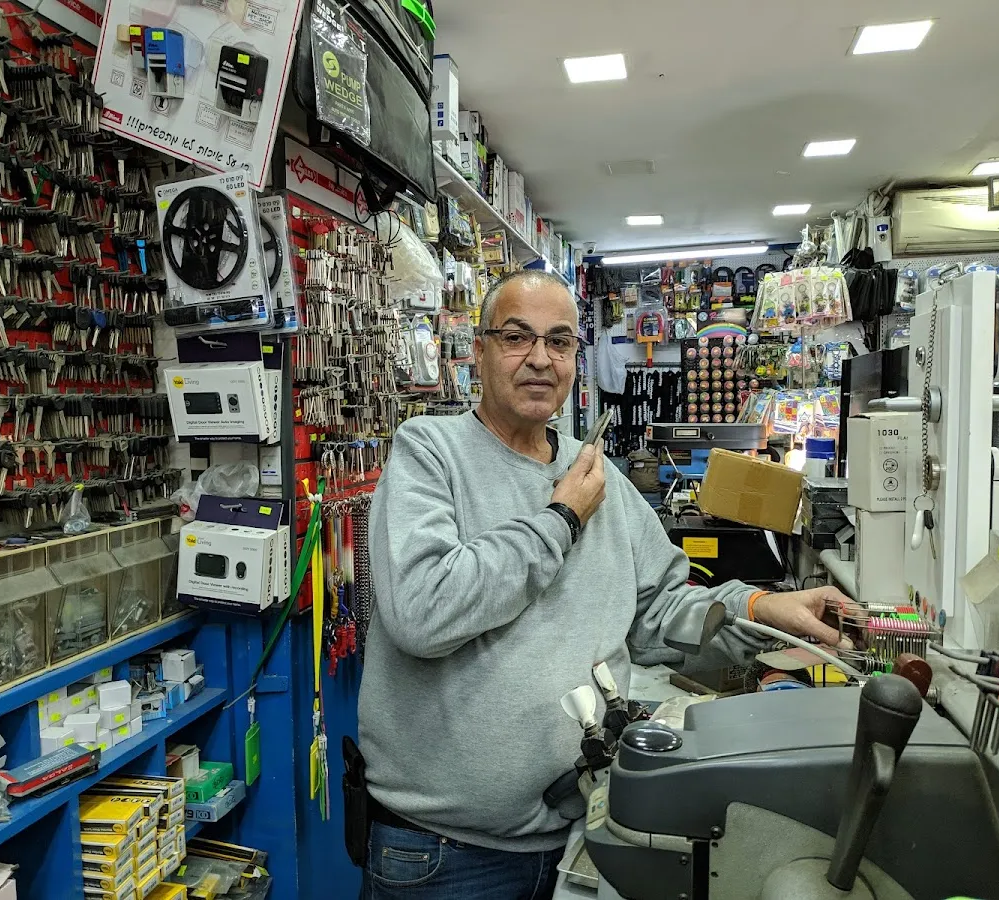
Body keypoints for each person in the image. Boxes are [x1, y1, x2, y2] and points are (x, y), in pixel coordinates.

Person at [357, 270, 855, 899]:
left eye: (560, 341)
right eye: (517, 337)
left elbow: (658, 611)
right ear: (479, 350)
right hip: (446, 854)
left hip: (577, 833)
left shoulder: (598, 477)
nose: (541, 359)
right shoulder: (430, 452)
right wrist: (560, 519)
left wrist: (760, 608)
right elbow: (423, 612)